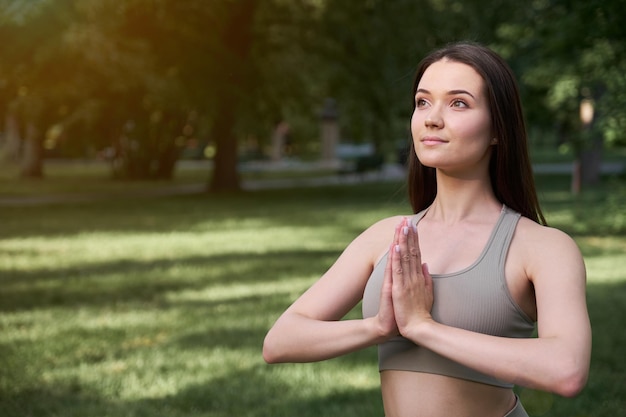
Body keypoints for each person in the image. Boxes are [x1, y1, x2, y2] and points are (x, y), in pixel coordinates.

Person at [263, 41, 591, 417]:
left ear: (498, 129)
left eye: (458, 103)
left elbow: (566, 370)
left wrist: (424, 327)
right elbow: (280, 341)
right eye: (422, 102)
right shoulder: (384, 237)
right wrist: (379, 327)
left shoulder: (543, 247)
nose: (432, 118)